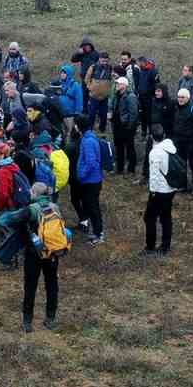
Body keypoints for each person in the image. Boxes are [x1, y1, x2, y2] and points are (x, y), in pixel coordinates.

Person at [0, 182, 61, 332]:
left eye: (31, 191)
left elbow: (4, 220)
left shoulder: (30, 210)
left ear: (35, 194)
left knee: (30, 286)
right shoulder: (55, 207)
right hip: (52, 252)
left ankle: (27, 322)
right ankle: (50, 319)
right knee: (52, 285)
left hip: (34, 253)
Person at [143, 125, 178, 255]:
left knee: (149, 218)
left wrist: (152, 192)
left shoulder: (155, 152)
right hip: (171, 188)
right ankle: (165, 246)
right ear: (164, 135)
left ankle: (150, 247)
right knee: (166, 217)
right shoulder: (170, 146)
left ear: (151, 137)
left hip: (160, 191)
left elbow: (154, 175)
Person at [73, 117, 106, 245]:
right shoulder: (89, 138)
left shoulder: (87, 141)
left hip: (90, 181)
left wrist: (81, 174)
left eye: (76, 125)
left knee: (93, 208)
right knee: (92, 207)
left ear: (80, 126)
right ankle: (96, 231)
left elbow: (91, 163)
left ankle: (98, 235)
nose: (75, 127)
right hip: (92, 180)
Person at [171, 88, 193, 192]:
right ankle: (182, 185)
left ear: (188, 98)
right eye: (179, 97)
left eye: (182, 97)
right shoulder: (176, 107)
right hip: (179, 141)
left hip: (191, 142)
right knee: (181, 164)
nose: (180, 99)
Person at [109, 75, 140, 177]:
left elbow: (133, 113)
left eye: (118, 83)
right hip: (117, 125)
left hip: (126, 126)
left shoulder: (131, 97)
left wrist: (130, 127)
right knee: (119, 147)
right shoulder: (116, 94)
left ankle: (131, 170)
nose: (116, 85)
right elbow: (113, 107)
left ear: (124, 85)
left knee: (129, 148)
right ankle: (119, 168)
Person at [85, 52, 115, 134]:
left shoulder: (110, 68)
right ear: (99, 59)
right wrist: (90, 88)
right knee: (91, 115)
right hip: (93, 97)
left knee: (103, 116)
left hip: (104, 98)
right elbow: (87, 79)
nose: (104, 63)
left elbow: (113, 78)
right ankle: (89, 131)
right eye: (103, 61)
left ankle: (102, 131)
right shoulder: (93, 67)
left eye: (106, 61)